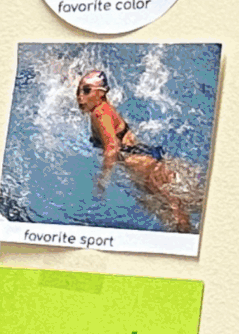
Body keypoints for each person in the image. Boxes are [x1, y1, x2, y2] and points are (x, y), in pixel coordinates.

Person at [75, 66, 197, 235]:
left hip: (141, 166)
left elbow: (112, 148)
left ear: (101, 93)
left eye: (86, 90)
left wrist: (102, 180)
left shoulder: (99, 113)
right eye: (78, 90)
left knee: (174, 213)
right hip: (145, 157)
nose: (80, 96)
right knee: (188, 199)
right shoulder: (103, 106)